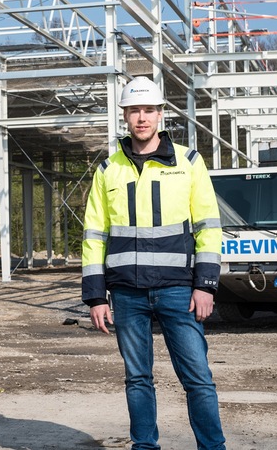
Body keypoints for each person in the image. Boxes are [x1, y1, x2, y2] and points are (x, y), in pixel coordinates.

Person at [81, 76, 226, 450]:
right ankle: (144, 446)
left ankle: (213, 447)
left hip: (179, 291)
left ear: (161, 115)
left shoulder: (190, 163)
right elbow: (94, 236)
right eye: (134, 111)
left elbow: (209, 227)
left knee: (198, 378)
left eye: (148, 110)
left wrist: (205, 285)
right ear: (125, 117)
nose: (141, 118)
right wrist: (96, 297)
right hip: (127, 295)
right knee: (137, 380)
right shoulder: (107, 170)